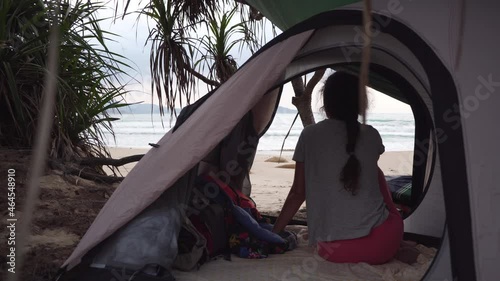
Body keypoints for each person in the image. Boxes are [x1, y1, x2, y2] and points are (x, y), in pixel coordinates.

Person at [272, 71, 403, 264]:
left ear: (326, 105)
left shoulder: (309, 135)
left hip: (335, 251)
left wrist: (275, 233)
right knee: (374, 171)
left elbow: (298, 194)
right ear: (360, 104)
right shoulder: (372, 135)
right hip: (384, 244)